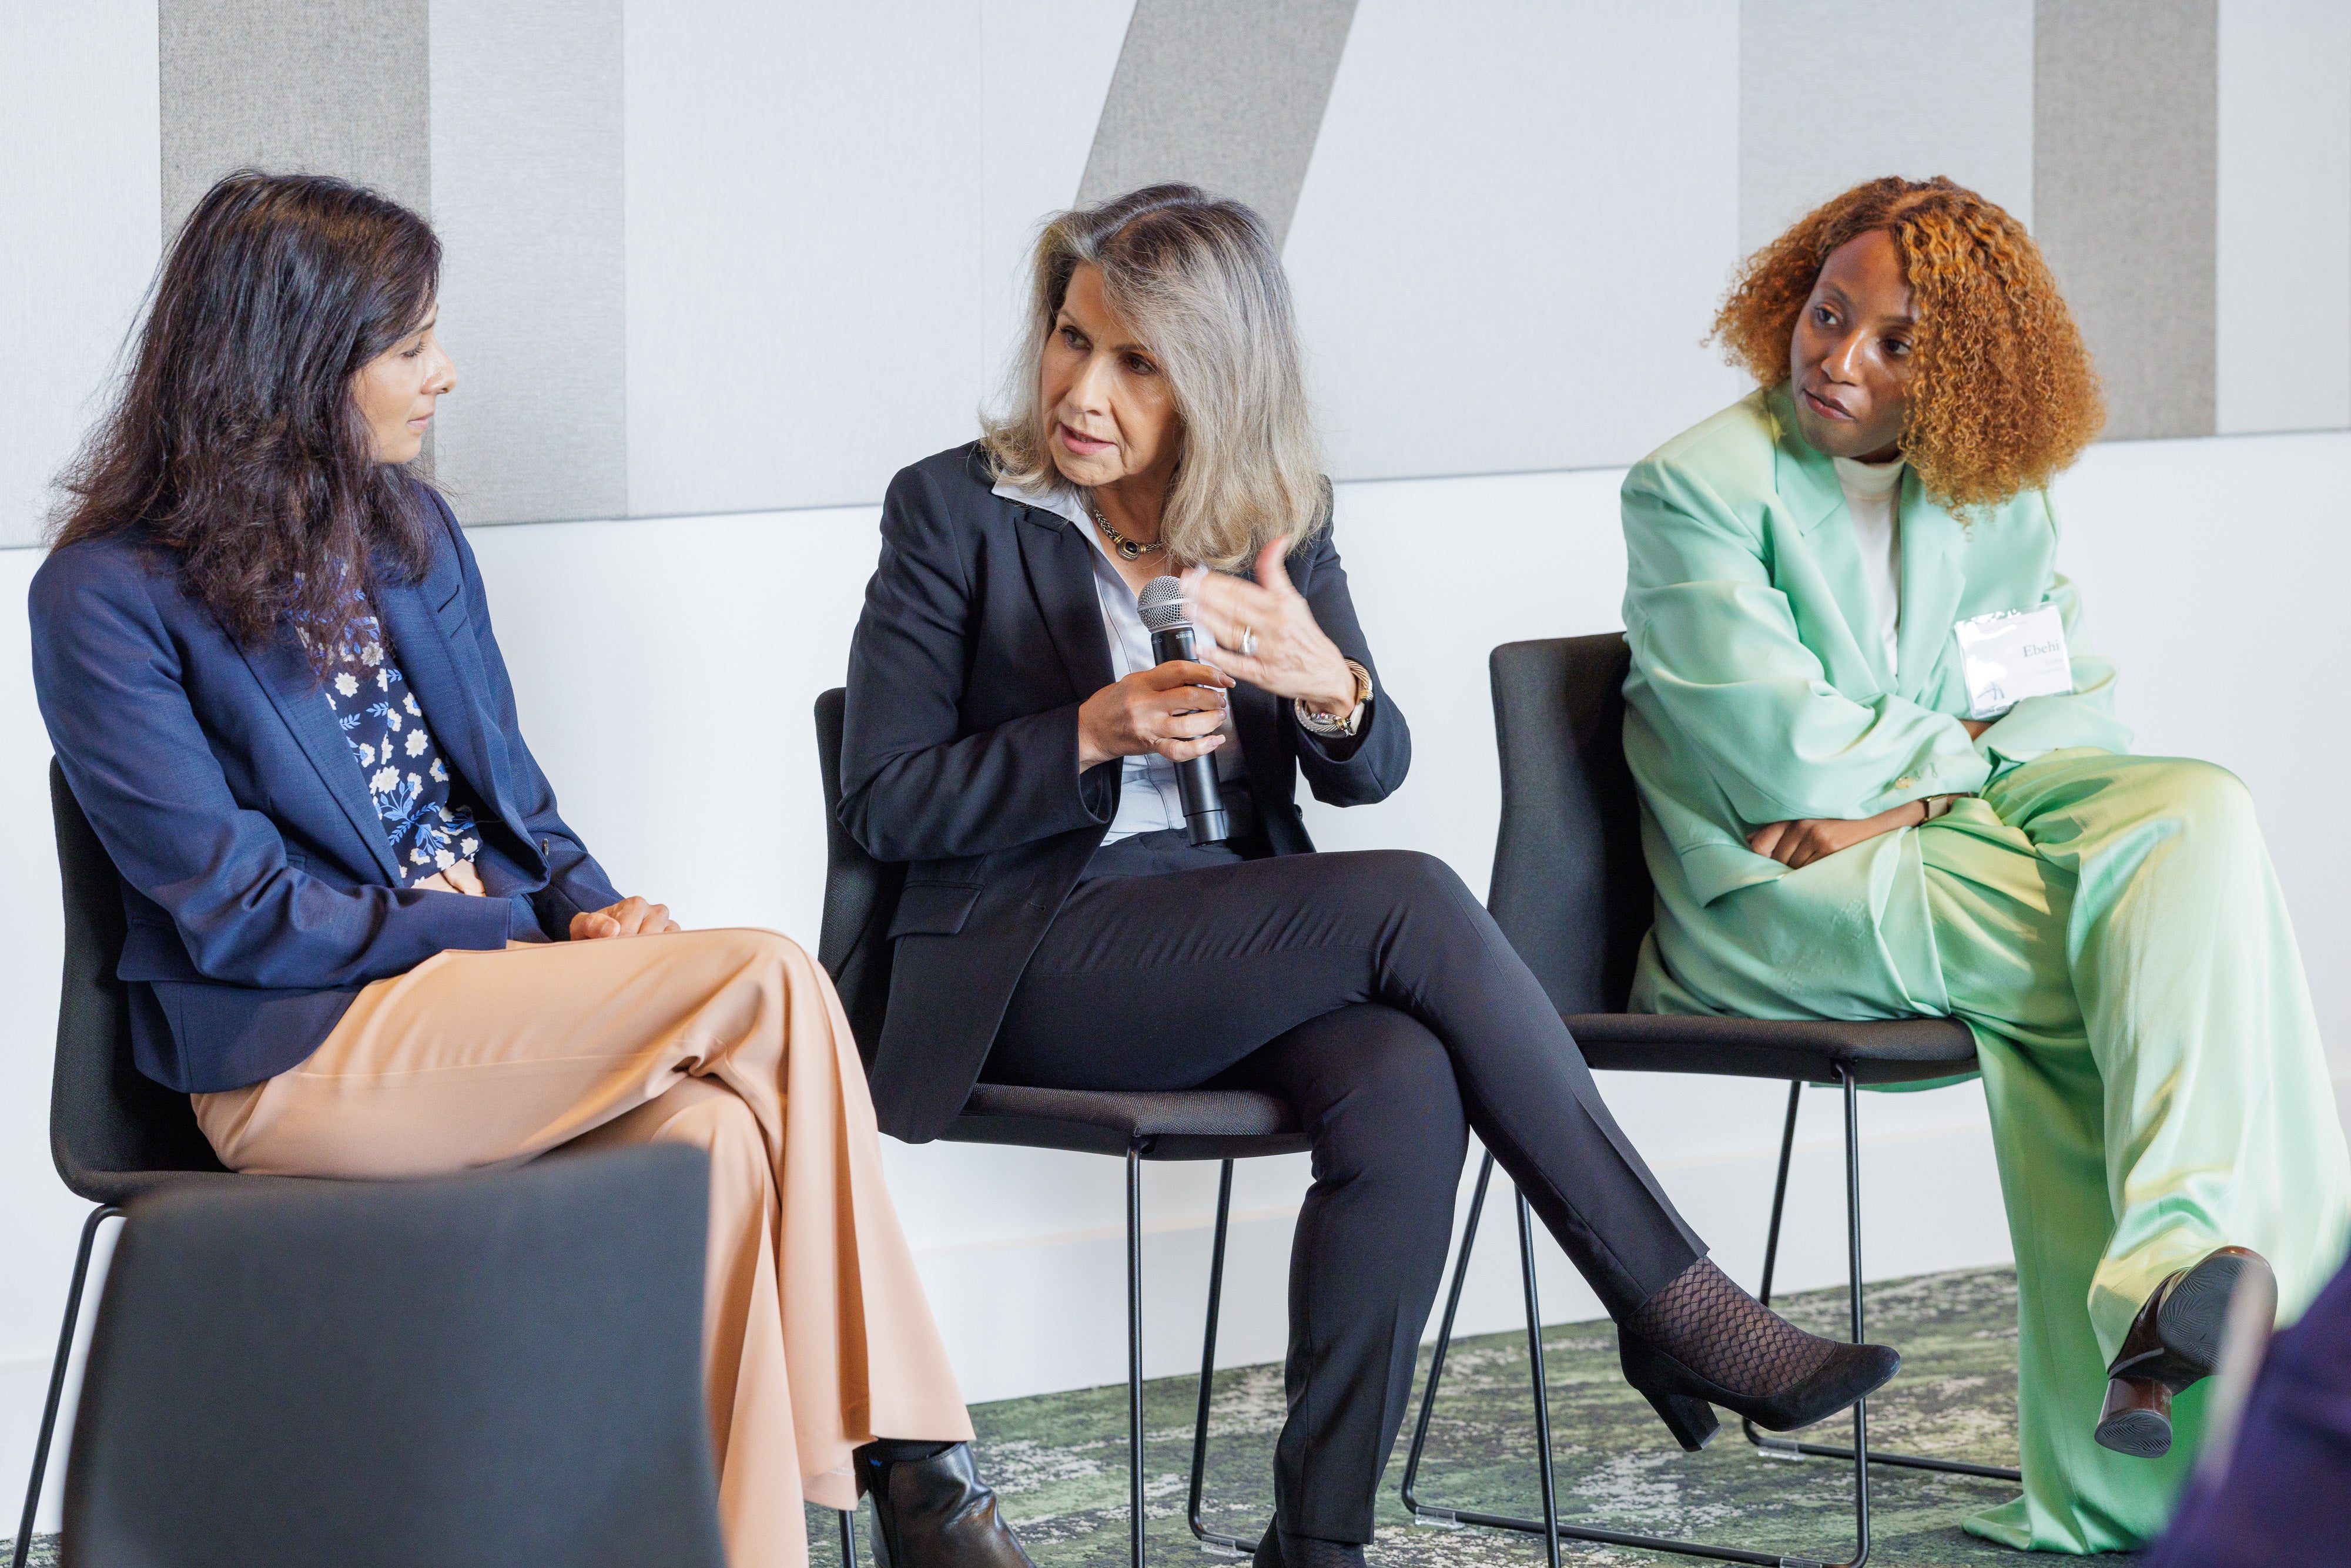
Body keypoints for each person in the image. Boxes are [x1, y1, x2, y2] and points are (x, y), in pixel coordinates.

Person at [838, 183, 1899, 1568]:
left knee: (1403, 1078)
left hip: (1225, 928)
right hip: (1035, 950)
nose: (1081, 387)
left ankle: (1318, 1541)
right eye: (1071, 336)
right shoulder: (954, 507)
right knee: (1404, 896)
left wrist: (1327, 686)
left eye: (1137, 361)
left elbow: (1366, 767)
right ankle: (1677, 1305)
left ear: (1215, 380)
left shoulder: (1275, 513)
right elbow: (882, 796)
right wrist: (1084, 732)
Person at [29, 172, 1032, 1568]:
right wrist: (507, 931)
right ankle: (929, 1481)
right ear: (294, 365)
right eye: (408, 345)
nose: (446, 373)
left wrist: (584, 906)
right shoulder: (103, 596)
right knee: (765, 976)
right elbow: (233, 909)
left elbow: (517, 801)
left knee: (721, 1145)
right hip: (296, 1053)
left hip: (476, 996)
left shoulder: (412, 535)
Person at [1617, 175, 2351, 1553]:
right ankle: (2249, 1348)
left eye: (1892, 341)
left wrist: (1898, 787)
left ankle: (2175, 1298)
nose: (1837, 358)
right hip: (1769, 899)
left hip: (1924, 852)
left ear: (1957, 368)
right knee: (2168, 945)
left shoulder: (1993, 497)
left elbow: (2075, 713)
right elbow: (1781, 764)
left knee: (2200, 808)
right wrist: (1947, 757)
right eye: (1826, 315)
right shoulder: (1691, 491)